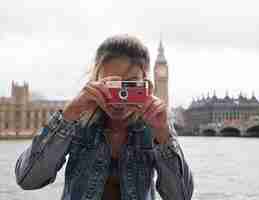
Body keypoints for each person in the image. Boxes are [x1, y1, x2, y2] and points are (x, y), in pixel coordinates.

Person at [14, 35, 194, 200]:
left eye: (130, 85)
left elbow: (181, 196)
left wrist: (163, 135)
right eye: (111, 85)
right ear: (95, 81)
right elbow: (28, 180)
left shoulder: (156, 127)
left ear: (145, 84)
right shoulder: (77, 122)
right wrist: (69, 115)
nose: (120, 97)